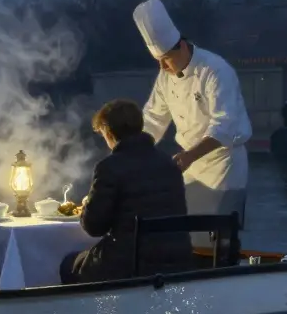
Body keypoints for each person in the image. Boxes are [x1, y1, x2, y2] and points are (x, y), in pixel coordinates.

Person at [133, 0, 253, 241]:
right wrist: (131, 150)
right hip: (190, 166)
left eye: (165, 59)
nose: (163, 67)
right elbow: (153, 119)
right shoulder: (165, 76)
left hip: (223, 166)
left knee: (218, 238)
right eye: (158, 61)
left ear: (182, 46)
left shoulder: (215, 70)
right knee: (184, 234)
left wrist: (188, 156)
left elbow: (224, 127)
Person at [59, 99, 193, 283]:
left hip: (129, 263)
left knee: (69, 264)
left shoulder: (109, 167)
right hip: (176, 260)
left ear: (108, 131)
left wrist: (88, 204)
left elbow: (94, 227)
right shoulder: (168, 164)